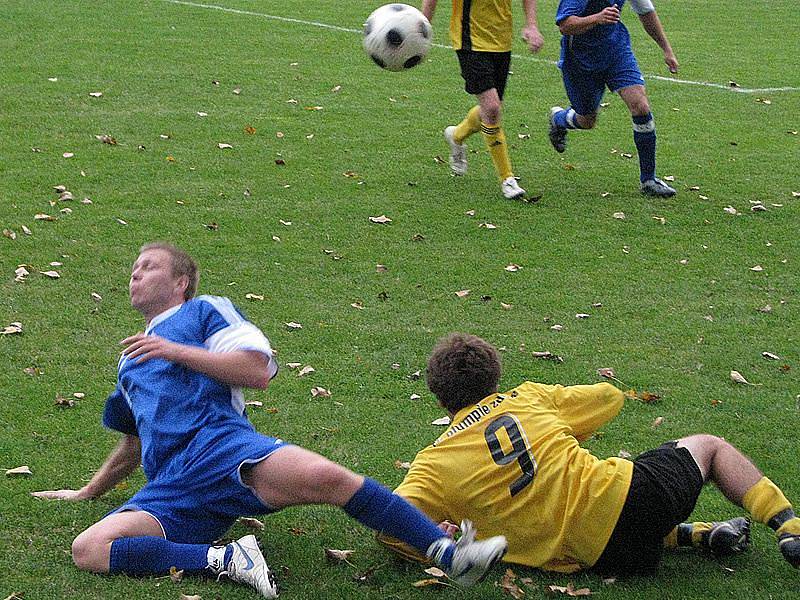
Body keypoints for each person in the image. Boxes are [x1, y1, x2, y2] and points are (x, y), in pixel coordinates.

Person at [32, 244, 507, 598]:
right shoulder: (130, 363)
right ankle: (225, 558)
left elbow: (256, 371)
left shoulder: (202, 312)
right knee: (89, 549)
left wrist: (174, 349)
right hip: (173, 485)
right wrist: (87, 492)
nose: (135, 274)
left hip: (222, 449)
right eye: (133, 268)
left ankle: (450, 554)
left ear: (181, 282)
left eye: (149, 265)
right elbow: (132, 443)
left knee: (328, 477)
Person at [381, 332, 800, 575]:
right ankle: (789, 526)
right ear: (495, 377)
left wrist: (437, 538)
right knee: (708, 446)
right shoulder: (529, 397)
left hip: (597, 559)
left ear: (440, 401)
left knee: (589, 521)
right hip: (628, 499)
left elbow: (388, 525)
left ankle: (699, 533)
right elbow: (609, 397)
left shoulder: (433, 464)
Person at [547, 0, 678, 197]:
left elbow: (646, 13)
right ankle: (558, 119)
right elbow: (565, 25)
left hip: (616, 51)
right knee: (586, 120)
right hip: (580, 59)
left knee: (640, 105)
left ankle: (649, 180)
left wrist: (666, 49)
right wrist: (598, 18)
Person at [422, 0, 545, 200]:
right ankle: (507, 179)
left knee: (490, 111)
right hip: (469, 40)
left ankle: (456, 136)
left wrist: (531, 24)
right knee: (492, 107)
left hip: (501, 40)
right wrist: (423, 24)